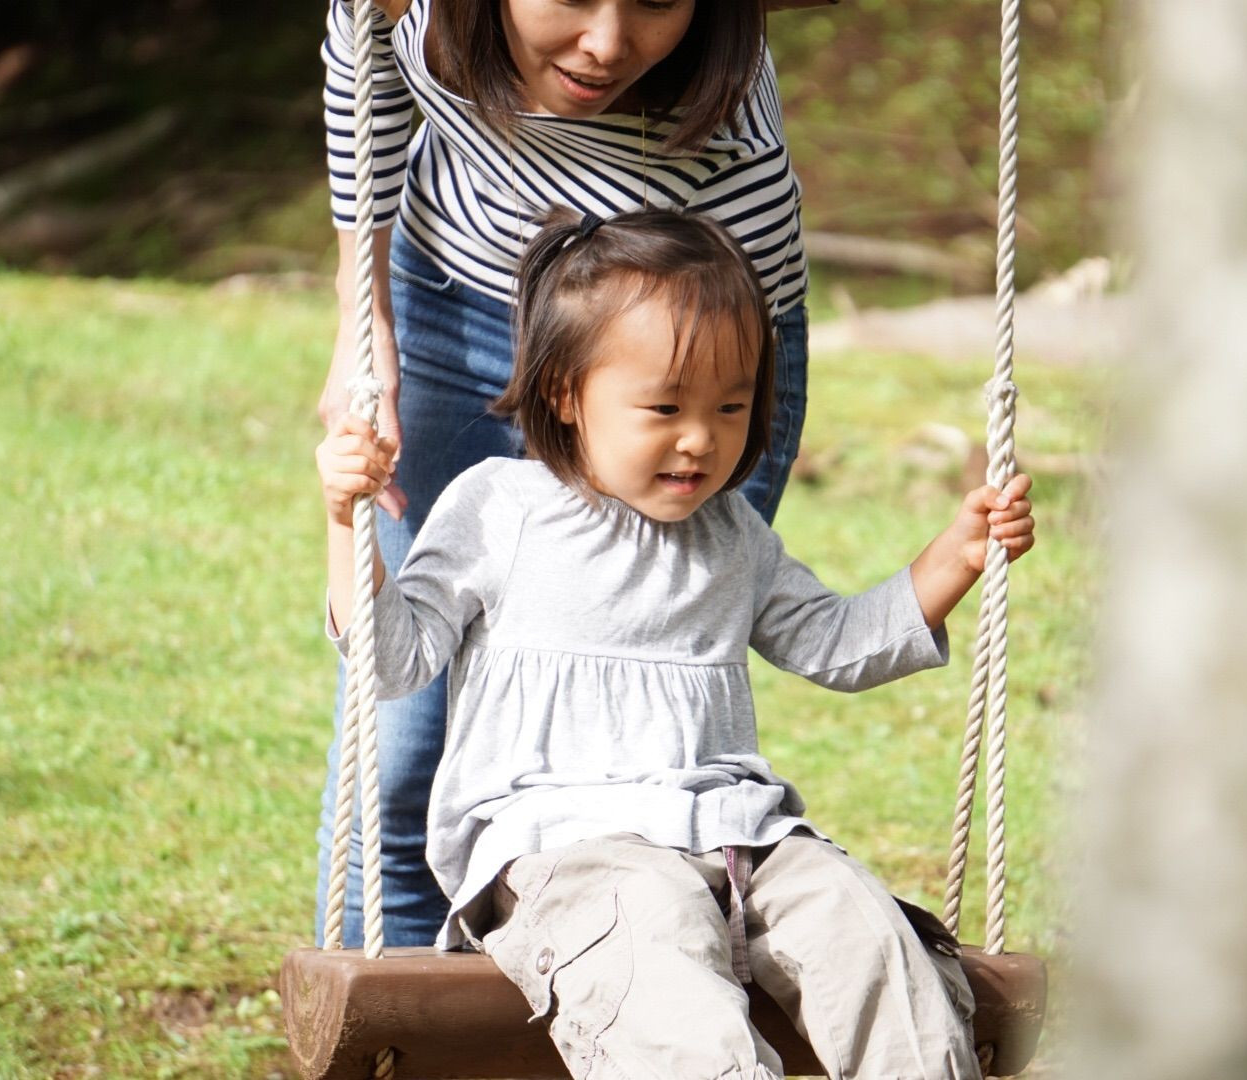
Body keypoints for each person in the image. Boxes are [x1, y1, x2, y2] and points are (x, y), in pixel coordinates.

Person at [314, 208, 1036, 1078]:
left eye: (730, 407)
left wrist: (954, 558)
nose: (701, 438)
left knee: (864, 928)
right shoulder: (501, 507)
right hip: (570, 846)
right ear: (565, 394)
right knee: (661, 971)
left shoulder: (731, 533)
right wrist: (347, 522)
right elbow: (393, 660)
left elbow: (837, 643)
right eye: (664, 407)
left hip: (740, 834)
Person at [315, 0, 816, 948]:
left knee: (627, 772)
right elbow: (361, 45)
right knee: (401, 748)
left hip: (684, 367)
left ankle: (611, 1007)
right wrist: (361, 312)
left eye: (657, 1)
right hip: (455, 294)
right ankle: (394, 1016)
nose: (607, 44)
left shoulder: (725, 130)